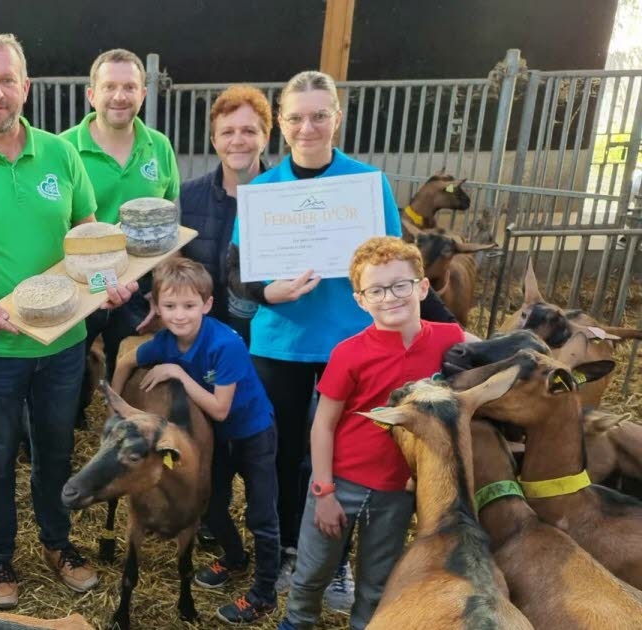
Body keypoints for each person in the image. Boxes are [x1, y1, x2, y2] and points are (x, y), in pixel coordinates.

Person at [0, 32, 136, 609]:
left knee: (56, 448)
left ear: (25, 86)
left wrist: (104, 282)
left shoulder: (60, 154)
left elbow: (88, 231)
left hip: (63, 339)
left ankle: (58, 542)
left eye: (7, 79)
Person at [225, 70, 406, 609]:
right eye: (297, 117)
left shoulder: (368, 186)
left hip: (350, 345)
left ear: (337, 119)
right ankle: (285, 551)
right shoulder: (261, 192)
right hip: (279, 344)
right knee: (282, 455)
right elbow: (236, 275)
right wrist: (269, 292)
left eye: (320, 115)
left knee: (347, 456)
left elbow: (392, 260)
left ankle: (336, 563)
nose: (309, 127)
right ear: (281, 123)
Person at [276, 236, 470, 629]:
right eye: (376, 290)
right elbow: (324, 423)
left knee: (378, 578)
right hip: (341, 481)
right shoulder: (349, 352)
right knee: (313, 570)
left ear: (422, 287)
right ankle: (298, 621)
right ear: (361, 300)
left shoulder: (449, 340)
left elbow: (492, 353)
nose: (390, 297)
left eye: (401, 285)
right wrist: (324, 490)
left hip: (399, 488)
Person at [112, 257, 280, 625]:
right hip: (212, 441)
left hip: (251, 433)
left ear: (207, 304)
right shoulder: (164, 341)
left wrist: (177, 373)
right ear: (157, 307)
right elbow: (126, 359)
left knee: (260, 514)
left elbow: (221, 408)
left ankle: (265, 591)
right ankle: (235, 558)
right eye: (169, 307)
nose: (179, 315)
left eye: (189, 306)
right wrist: (117, 409)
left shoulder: (225, 344)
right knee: (211, 508)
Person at [59, 47, 179, 420]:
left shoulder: (159, 146)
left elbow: (171, 224)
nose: (120, 96)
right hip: (82, 283)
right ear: (91, 94)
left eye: (130, 86)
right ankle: (66, 426)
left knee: (128, 363)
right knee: (70, 368)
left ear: (143, 93)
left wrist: (163, 292)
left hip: (137, 285)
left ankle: (121, 434)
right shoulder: (63, 149)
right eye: (109, 86)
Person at [180, 85, 272, 346]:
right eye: (227, 132)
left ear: (265, 137)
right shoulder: (189, 196)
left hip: (267, 342)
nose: (237, 140)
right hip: (205, 339)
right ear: (214, 141)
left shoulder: (285, 196)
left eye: (249, 131)